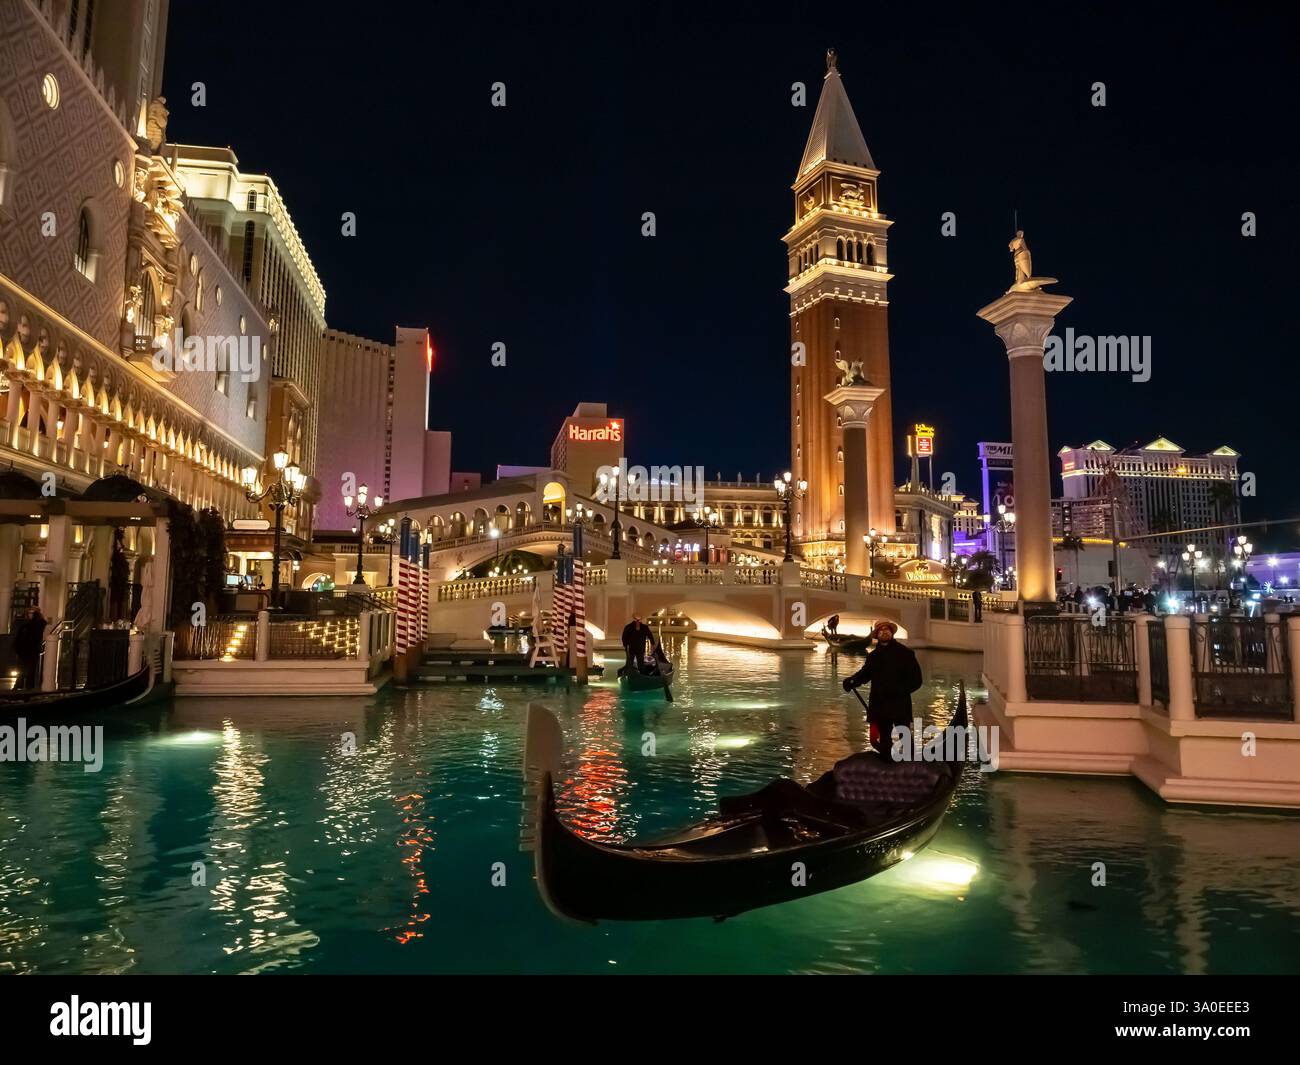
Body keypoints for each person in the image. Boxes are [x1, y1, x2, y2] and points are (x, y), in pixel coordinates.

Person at [841, 619, 923, 756]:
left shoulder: (906, 654)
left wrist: (899, 691)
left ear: (891, 633)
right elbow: (865, 674)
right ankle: (887, 764)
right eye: (881, 630)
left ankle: (912, 767)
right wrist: (851, 681)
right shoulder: (873, 656)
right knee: (884, 739)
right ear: (877, 635)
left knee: (906, 738)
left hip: (900, 705)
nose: (884, 632)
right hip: (880, 706)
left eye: (887, 629)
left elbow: (917, 681)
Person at [13, 606, 47, 690]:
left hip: (32, 649)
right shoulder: (25, 624)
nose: (30, 615)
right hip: (24, 650)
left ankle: (28, 686)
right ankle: (19, 685)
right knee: (21, 668)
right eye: (29, 613)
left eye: (32, 613)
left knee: (30, 669)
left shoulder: (38, 623)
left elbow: (36, 632)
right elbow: (19, 636)